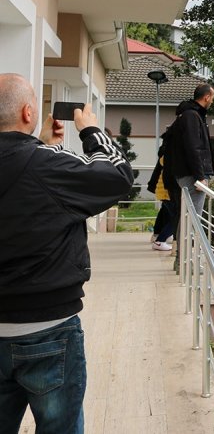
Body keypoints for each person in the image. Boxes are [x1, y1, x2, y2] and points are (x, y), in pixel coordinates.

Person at [0, 73, 133, 433]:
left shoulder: (40, 160)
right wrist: (90, 131)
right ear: (29, 112)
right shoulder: (46, 164)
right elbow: (119, 175)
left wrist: (42, 145)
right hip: (49, 330)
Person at [169, 83, 214, 215]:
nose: (212, 101)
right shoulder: (192, 116)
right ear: (207, 97)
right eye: (212, 98)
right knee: (193, 218)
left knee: (187, 217)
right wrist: (200, 177)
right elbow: (193, 147)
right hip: (192, 175)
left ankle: (186, 235)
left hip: (188, 173)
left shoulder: (190, 115)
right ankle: (191, 236)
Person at [147, 133, 179, 251]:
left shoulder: (166, 153)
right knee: (176, 218)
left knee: (169, 215)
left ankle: (161, 237)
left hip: (163, 191)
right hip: (167, 191)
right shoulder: (171, 155)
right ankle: (160, 240)